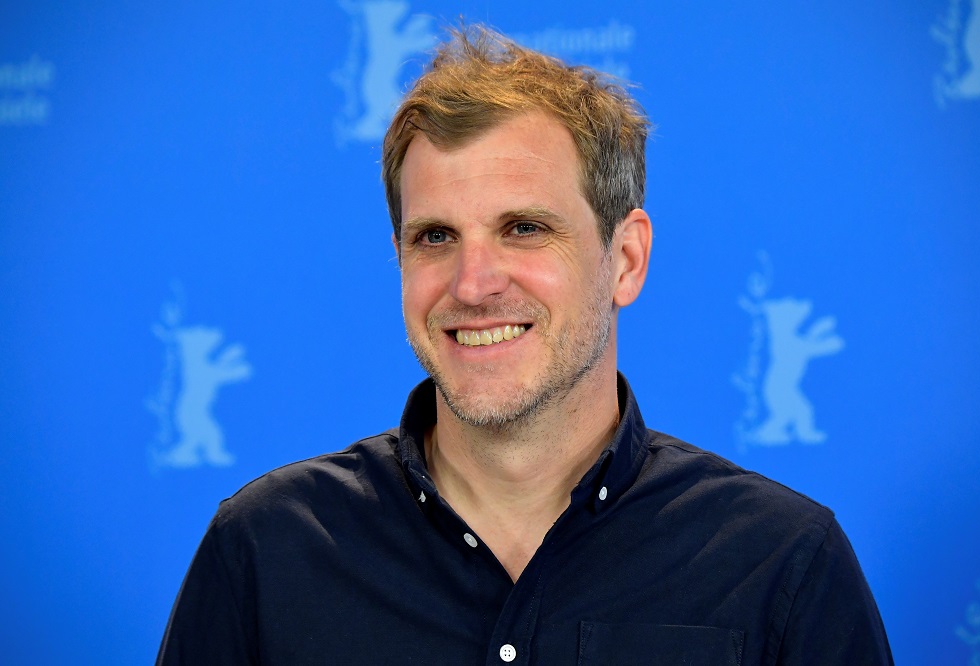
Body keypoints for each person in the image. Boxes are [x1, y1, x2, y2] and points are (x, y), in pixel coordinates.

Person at [157, 25, 893, 665]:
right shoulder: (266, 550)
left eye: (524, 229)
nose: (472, 285)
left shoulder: (783, 565)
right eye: (435, 237)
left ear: (626, 260)